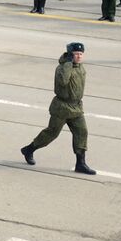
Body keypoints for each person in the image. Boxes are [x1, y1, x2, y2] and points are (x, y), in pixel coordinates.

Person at [20, 41, 95, 175]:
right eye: (76, 54)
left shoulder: (80, 67)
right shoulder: (62, 68)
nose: (78, 56)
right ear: (70, 55)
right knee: (51, 134)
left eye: (81, 54)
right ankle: (29, 149)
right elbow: (63, 81)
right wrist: (67, 64)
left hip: (76, 107)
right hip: (62, 107)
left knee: (82, 132)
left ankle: (81, 163)